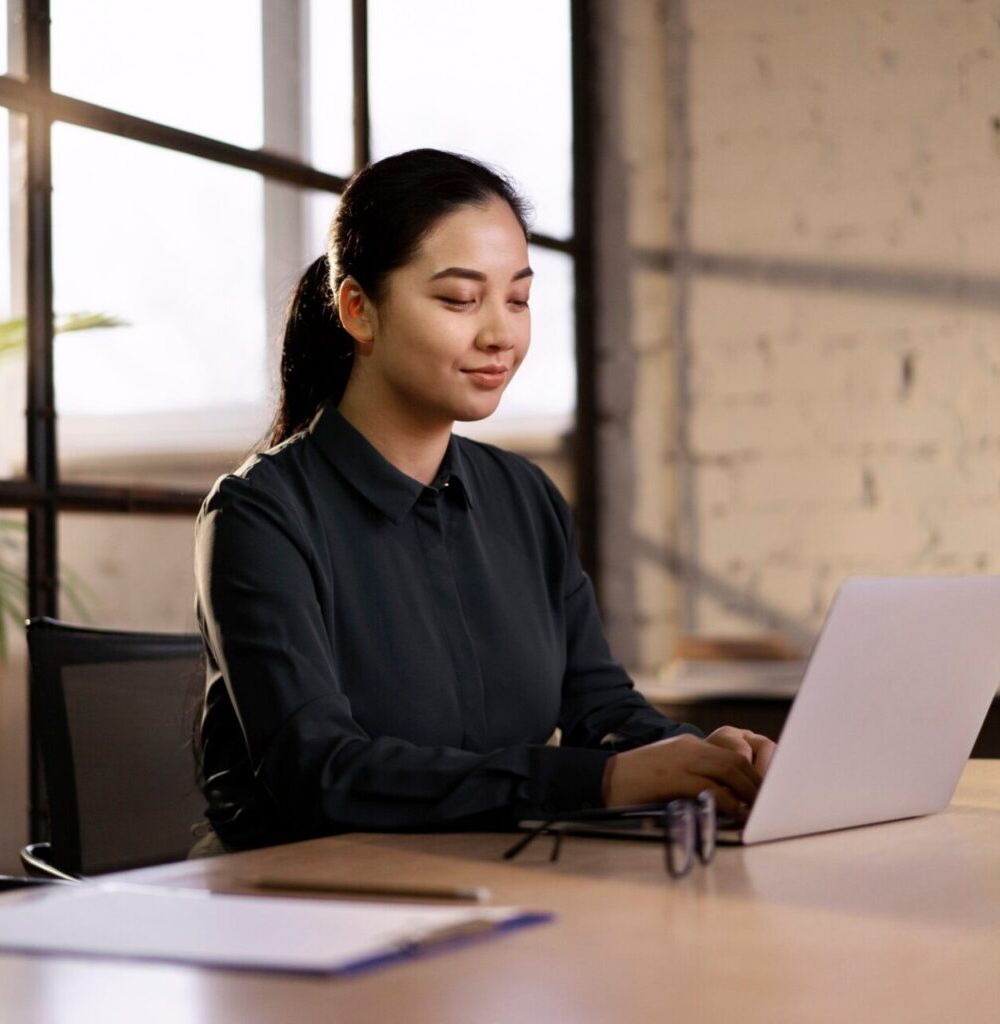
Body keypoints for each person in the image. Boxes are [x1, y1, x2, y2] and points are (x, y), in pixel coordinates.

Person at [194, 148, 775, 850]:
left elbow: (601, 708)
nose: (500, 333)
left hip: (499, 875)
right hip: (307, 902)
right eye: (460, 300)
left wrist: (715, 760)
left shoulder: (525, 497)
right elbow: (321, 771)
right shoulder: (259, 514)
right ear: (358, 310)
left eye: (518, 298)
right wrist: (605, 782)